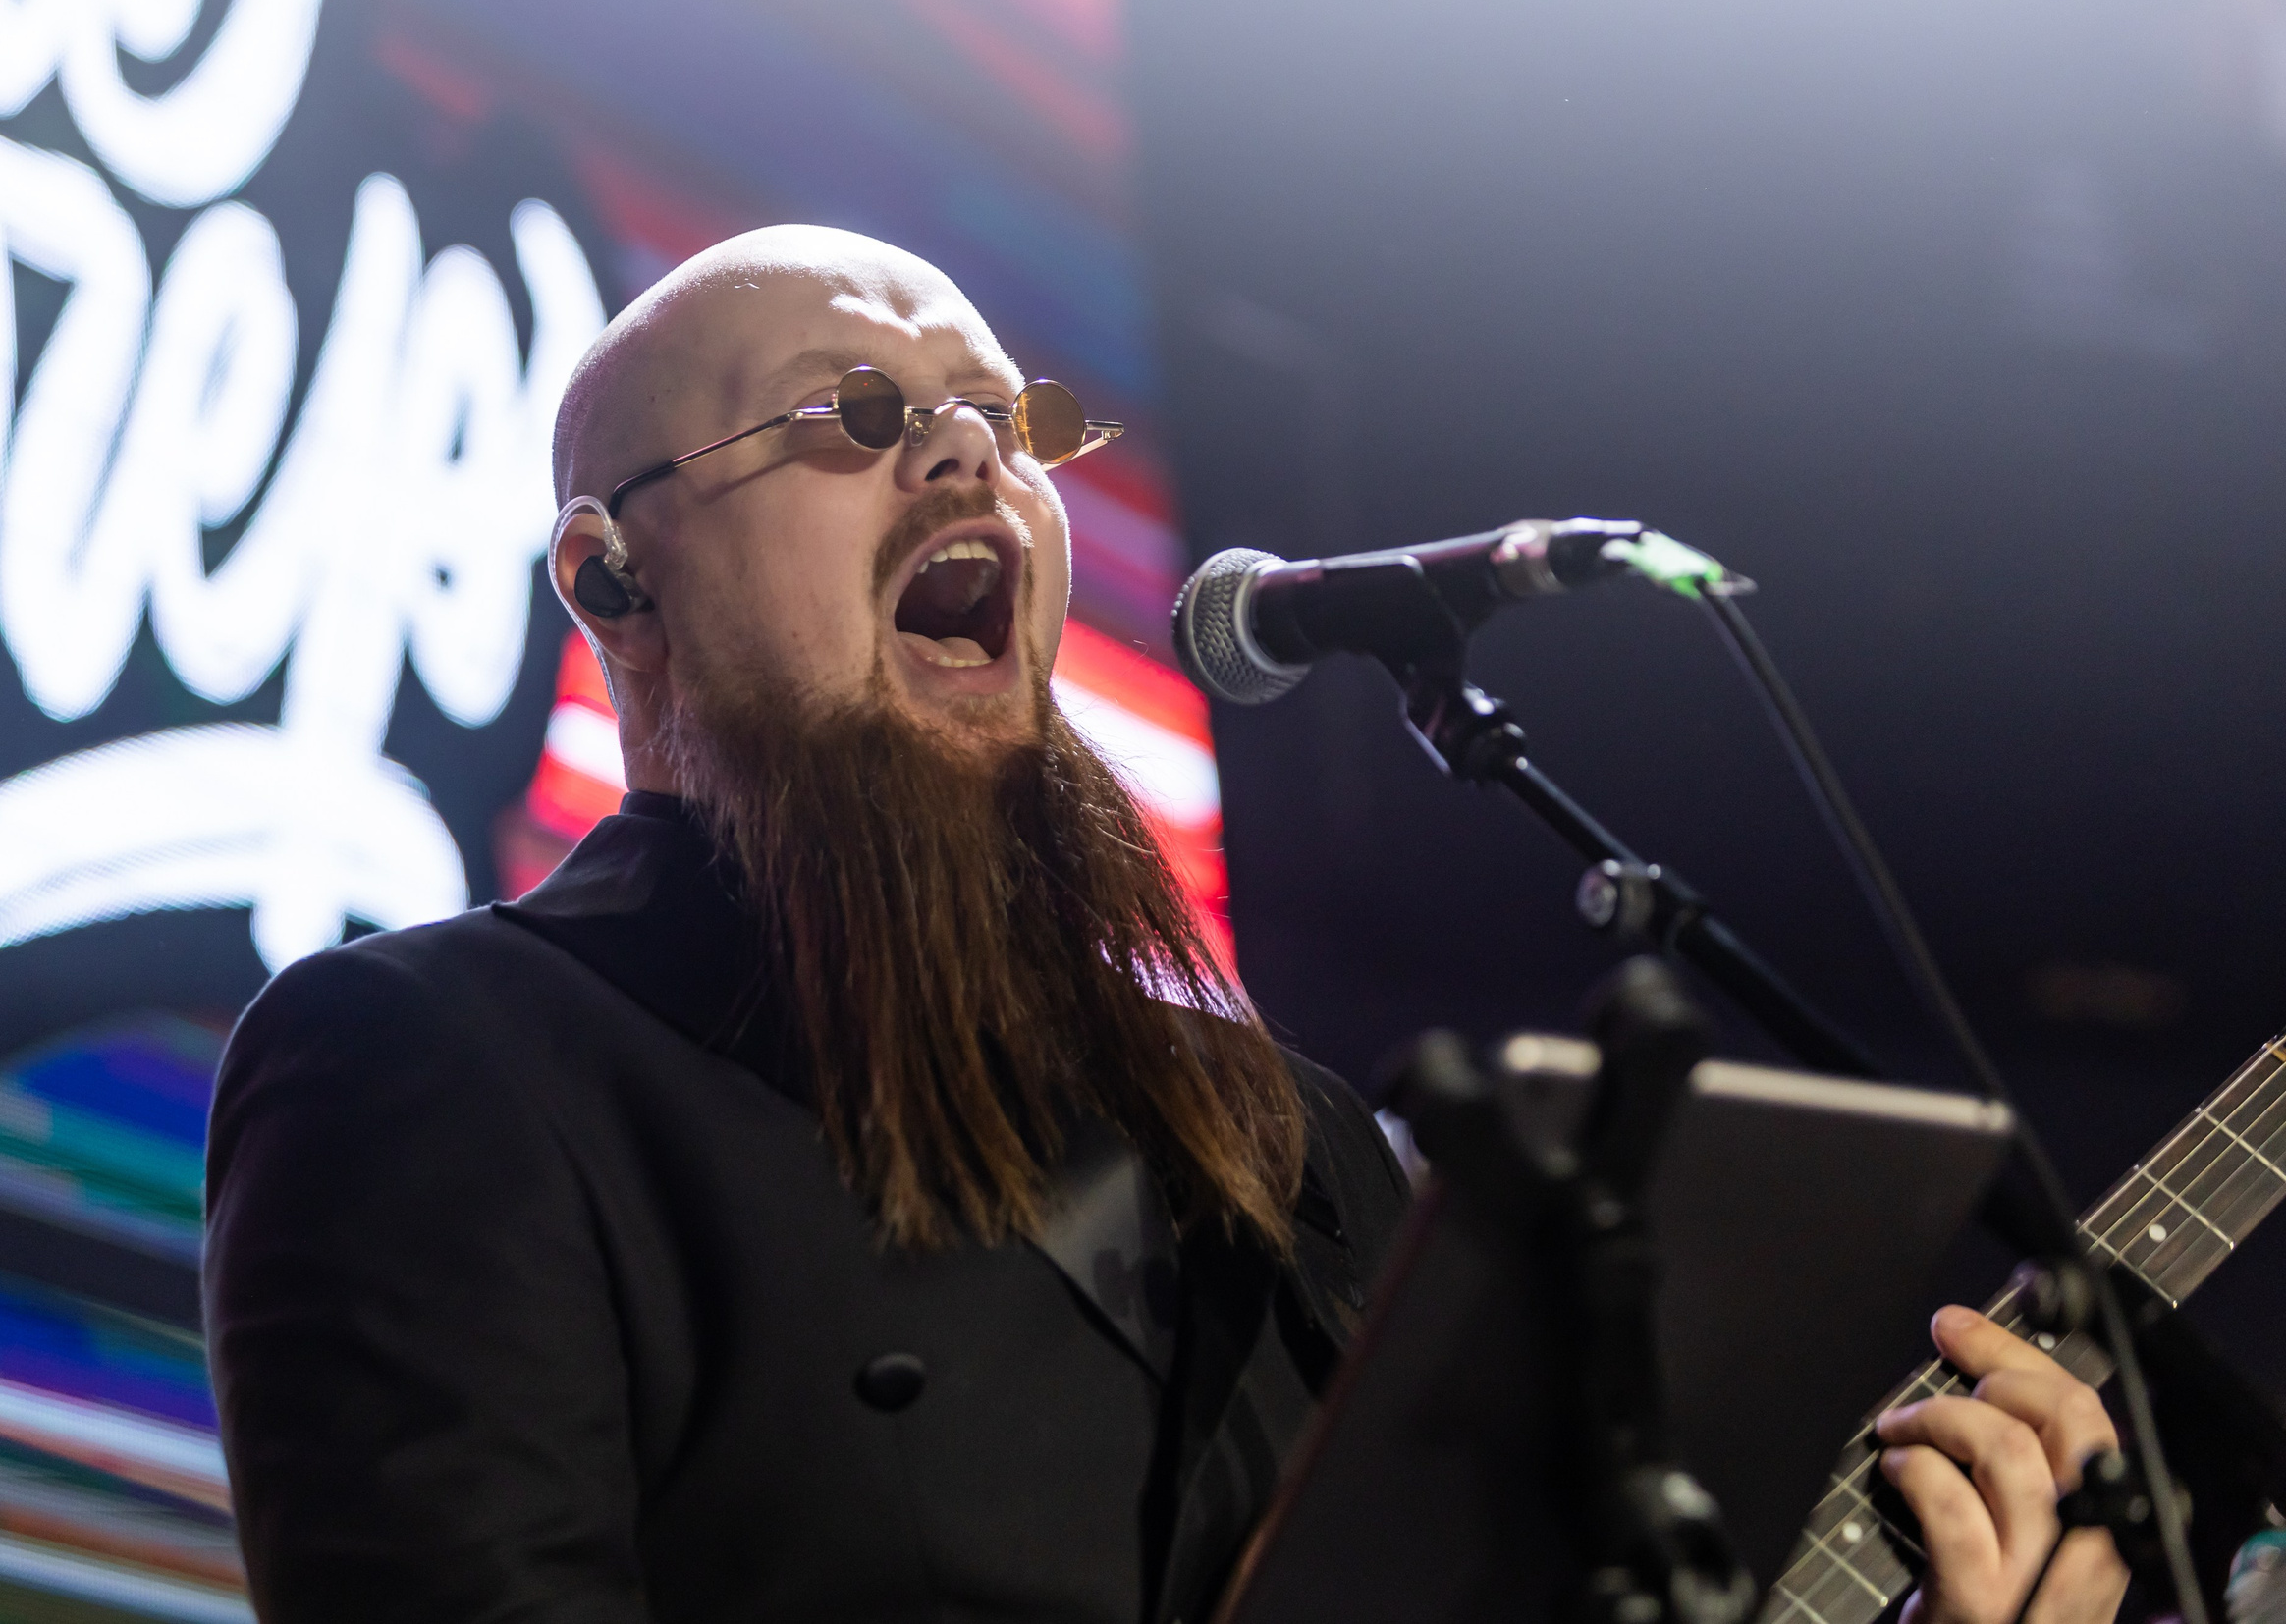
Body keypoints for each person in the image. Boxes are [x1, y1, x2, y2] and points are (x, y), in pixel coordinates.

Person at [201, 227, 2127, 1624]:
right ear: (612, 579)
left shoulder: (1283, 1141)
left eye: (995, 417)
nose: (967, 459)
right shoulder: (442, 1062)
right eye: (857, 411)